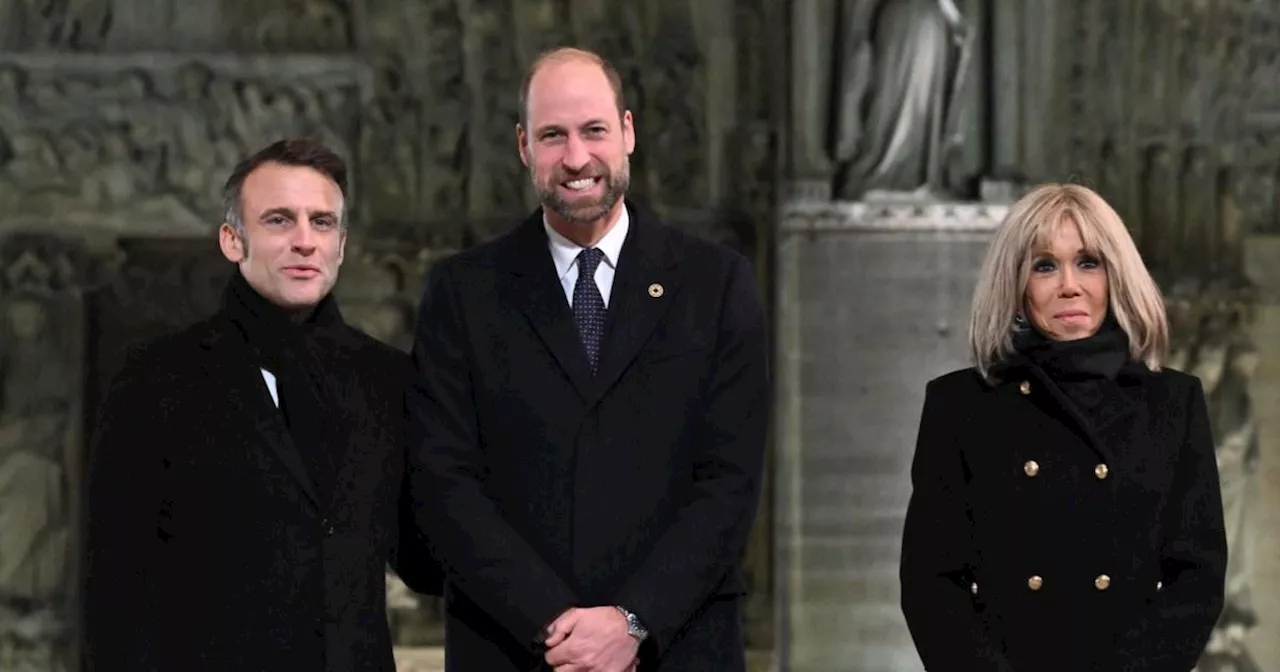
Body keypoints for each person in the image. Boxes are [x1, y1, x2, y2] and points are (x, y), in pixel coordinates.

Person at [406, 47, 770, 672]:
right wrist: (556, 626)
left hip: (677, 646)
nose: (576, 158)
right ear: (524, 146)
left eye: (593, 130)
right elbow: (445, 484)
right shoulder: (461, 293)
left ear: (628, 131)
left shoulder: (717, 284)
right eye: (553, 136)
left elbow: (729, 482)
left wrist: (633, 622)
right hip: (512, 647)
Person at [83, 137, 442, 671]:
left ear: (340, 246)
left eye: (322, 223)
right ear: (233, 240)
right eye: (279, 220)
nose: (304, 241)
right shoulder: (156, 378)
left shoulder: (388, 378)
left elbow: (425, 561)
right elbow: (114, 593)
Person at [899, 182, 1228, 671]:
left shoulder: (1172, 403)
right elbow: (932, 582)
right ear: (1015, 283)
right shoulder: (961, 406)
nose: (1069, 285)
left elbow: (1196, 577)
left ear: (1116, 274)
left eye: (1089, 262)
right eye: (1044, 265)